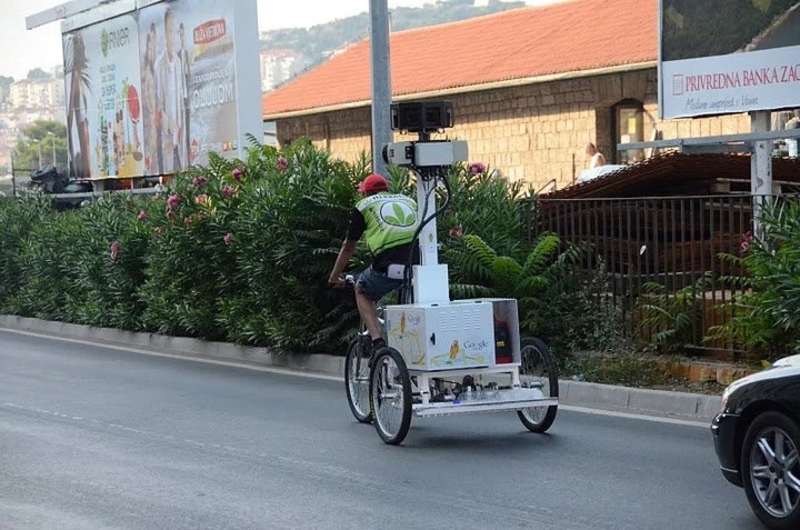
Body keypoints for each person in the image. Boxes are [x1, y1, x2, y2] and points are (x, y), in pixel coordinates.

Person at [328, 173, 419, 355]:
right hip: (418, 262)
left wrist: (334, 276)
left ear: (365, 193)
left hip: (388, 263)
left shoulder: (364, 206)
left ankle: (377, 341)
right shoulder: (408, 201)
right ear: (387, 189)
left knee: (362, 288)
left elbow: (348, 247)